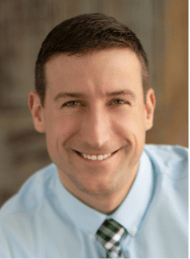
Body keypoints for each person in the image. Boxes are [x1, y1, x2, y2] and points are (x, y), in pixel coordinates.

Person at [0, 13, 188, 258]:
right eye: (73, 103)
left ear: (147, 109)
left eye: (118, 101)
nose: (97, 137)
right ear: (38, 112)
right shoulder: (10, 242)